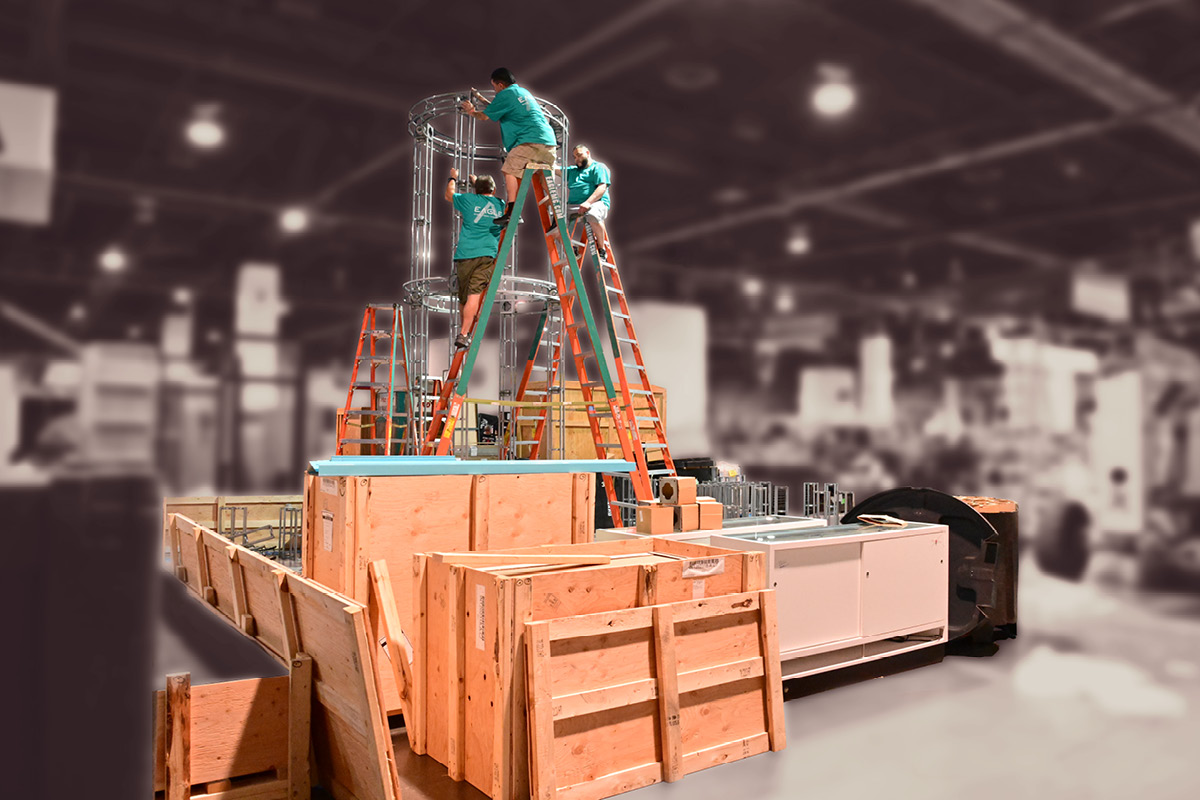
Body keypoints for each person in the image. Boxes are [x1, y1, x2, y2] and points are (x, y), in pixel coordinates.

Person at [458, 68, 558, 225]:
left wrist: (471, 111)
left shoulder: (505, 94)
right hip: (549, 141)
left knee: (509, 169)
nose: (495, 91)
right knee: (545, 181)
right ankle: (557, 217)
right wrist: (480, 98)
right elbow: (498, 109)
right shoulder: (521, 92)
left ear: (500, 85)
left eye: (494, 87)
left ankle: (512, 212)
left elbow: (484, 116)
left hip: (530, 141)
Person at [445, 167, 505, 349]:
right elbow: (488, 196)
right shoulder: (501, 204)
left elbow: (449, 195)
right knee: (474, 295)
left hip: (465, 254)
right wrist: (477, 182)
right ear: (494, 190)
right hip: (486, 254)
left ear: (475, 190)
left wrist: (452, 178)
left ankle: (465, 331)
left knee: (463, 298)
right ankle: (464, 333)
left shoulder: (469, 199)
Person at [564, 144, 612, 255]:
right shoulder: (573, 171)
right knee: (555, 224)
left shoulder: (599, 167)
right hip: (573, 205)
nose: (577, 159)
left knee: (592, 214)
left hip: (596, 203)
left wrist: (588, 202)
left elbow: (602, 187)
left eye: (579, 155)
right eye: (575, 157)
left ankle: (601, 249)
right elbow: (555, 169)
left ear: (588, 153)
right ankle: (572, 249)